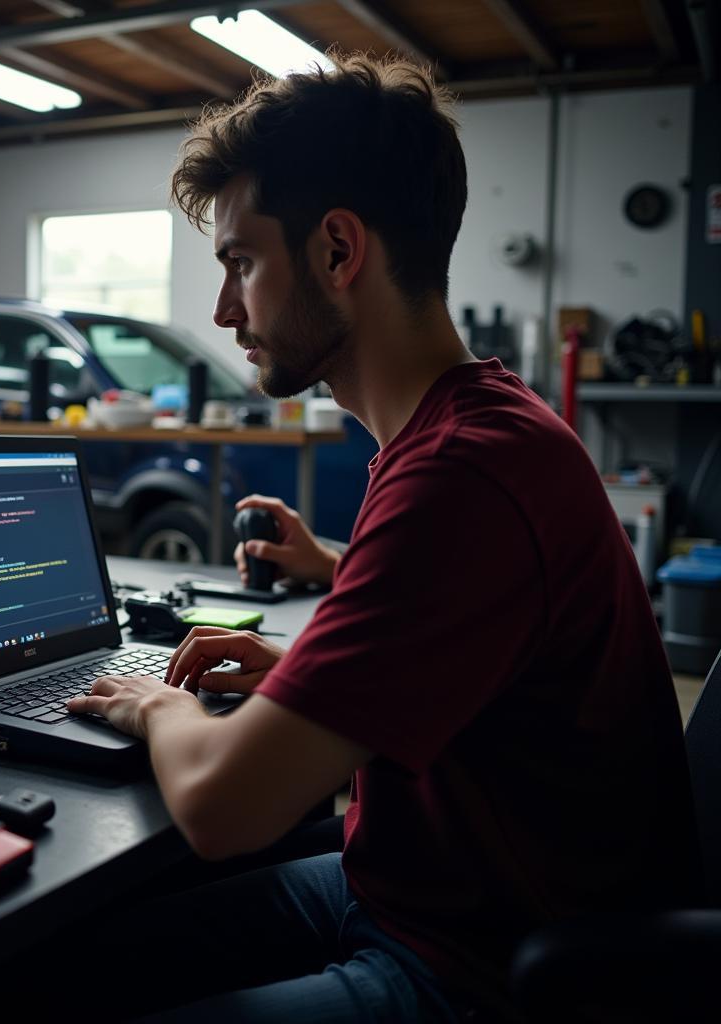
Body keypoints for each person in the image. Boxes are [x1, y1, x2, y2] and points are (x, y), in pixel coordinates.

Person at [60, 54, 700, 1022]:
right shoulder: (470, 429)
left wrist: (155, 705)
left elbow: (222, 807)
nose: (224, 311)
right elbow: (471, 678)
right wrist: (296, 669)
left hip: (476, 966)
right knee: (73, 962)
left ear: (335, 251)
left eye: (239, 262)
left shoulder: (462, 473)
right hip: (414, 891)